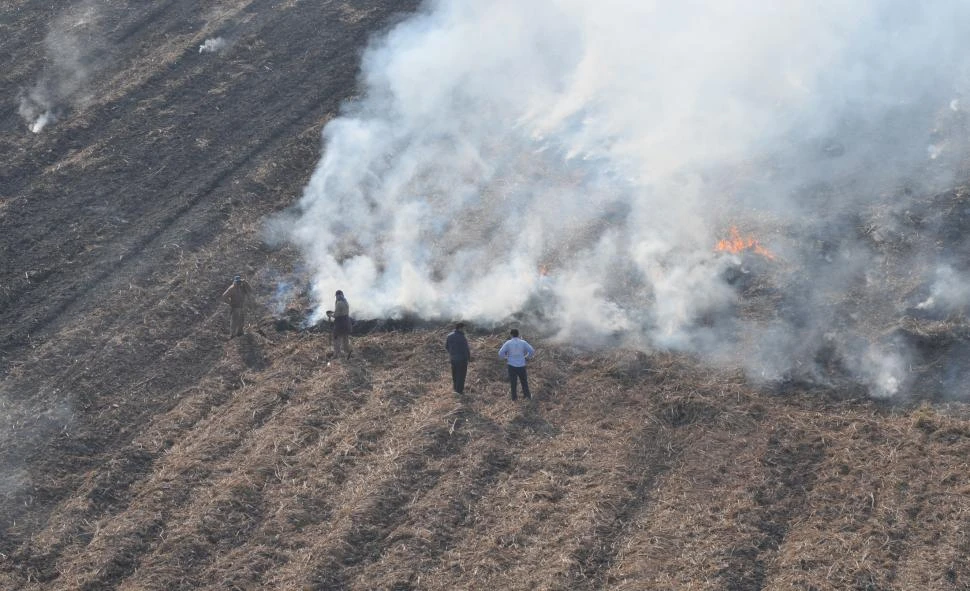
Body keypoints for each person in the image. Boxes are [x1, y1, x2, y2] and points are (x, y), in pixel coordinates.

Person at [498, 328, 535, 400]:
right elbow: (532, 351)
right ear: (518, 334)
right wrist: (527, 357)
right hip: (521, 365)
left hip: (511, 366)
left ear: (511, 334)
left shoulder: (508, 343)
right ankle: (527, 396)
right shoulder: (523, 342)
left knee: (513, 383)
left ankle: (514, 398)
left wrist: (505, 358)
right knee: (524, 382)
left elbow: (500, 353)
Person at [445, 322, 472, 395]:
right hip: (462, 359)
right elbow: (465, 349)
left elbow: (446, 347)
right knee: (461, 375)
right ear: (460, 328)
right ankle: (459, 391)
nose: (464, 330)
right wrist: (468, 358)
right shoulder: (462, 337)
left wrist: (452, 354)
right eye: (464, 328)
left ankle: (455, 388)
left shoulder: (449, 336)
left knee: (455, 374)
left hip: (453, 359)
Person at [328, 289, 352, 359]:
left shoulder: (339, 303)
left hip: (340, 323)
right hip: (347, 322)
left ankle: (336, 355)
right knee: (345, 339)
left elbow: (336, 315)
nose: (336, 297)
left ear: (338, 296)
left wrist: (330, 315)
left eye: (336, 296)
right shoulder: (346, 302)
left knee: (336, 338)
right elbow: (342, 312)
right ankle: (348, 352)